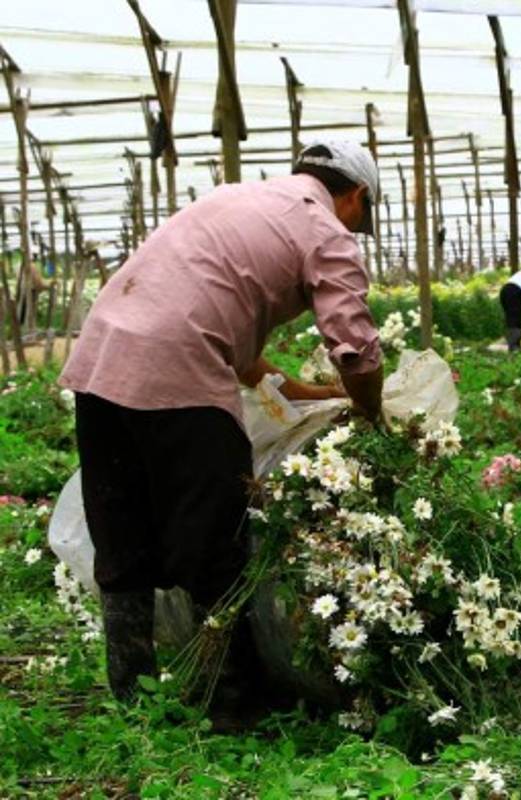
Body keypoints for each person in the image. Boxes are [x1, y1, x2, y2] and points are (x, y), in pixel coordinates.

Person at [58, 140, 385, 726]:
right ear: (356, 195)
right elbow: (355, 348)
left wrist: (305, 393)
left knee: (122, 534)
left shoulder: (235, 201)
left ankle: (133, 697)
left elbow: (222, 339)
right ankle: (231, 704)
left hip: (101, 360)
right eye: (363, 215)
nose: (356, 229)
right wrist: (369, 412)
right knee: (216, 536)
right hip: (176, 372)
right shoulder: (324, 229)